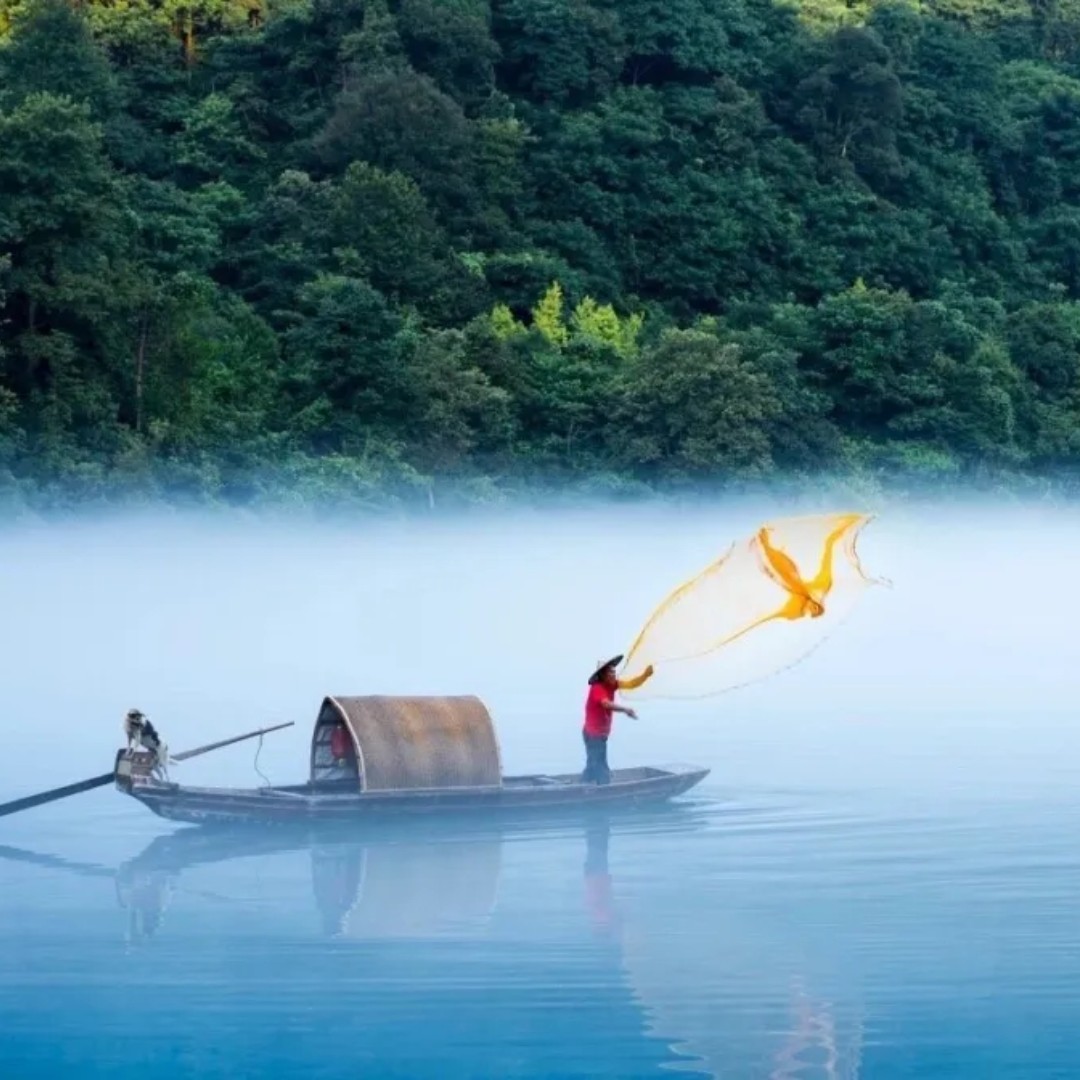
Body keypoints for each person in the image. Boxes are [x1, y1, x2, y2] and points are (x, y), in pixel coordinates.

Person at [582, 655, 653, 785]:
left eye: (614, 672)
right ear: (602, 675)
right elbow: (606, 704)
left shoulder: (612, 685)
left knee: (594, 763)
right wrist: (625, 710)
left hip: (600, 734)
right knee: (599, 766)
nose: (614, 675)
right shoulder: (597, 688)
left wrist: (645, 675)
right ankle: (601, 789)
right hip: (593, 734)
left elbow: (631, 684)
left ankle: (585, 786)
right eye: (610, 672)